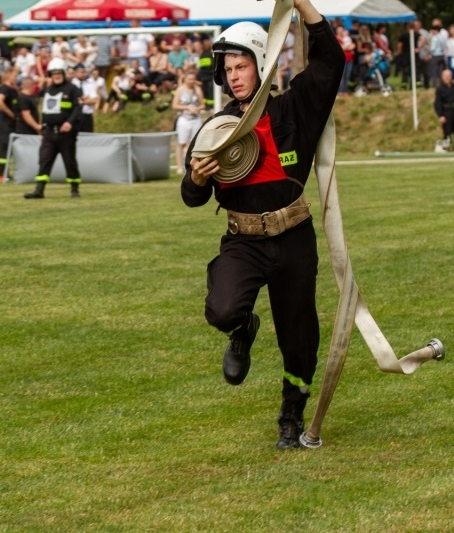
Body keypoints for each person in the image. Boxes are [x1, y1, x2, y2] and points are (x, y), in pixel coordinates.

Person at [180, 0, 344, 449]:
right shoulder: (215, 128)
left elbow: (331, 60)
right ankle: (243, 328)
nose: (233, 76)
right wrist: (197, 179)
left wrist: (301, 4)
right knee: (222, 310)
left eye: (242, 66)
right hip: (244, 241)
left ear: (262, 66)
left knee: (299, 336)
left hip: (294, 239)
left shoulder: (295, 109)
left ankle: (291, 415)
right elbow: (191, 196)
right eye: (227, 69)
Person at [23, 57, 82, 199]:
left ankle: (74, 189)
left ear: (64, 73)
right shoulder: (48, 90)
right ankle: (39, 190)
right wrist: (43, 128)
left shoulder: (73, 89)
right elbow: (46, 111)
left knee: (69, 161)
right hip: (49, 132)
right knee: (44, 160)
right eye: (54, 73)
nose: (56, 76)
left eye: (59, 73)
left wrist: (69, 123)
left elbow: (78, 108)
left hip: (65, 134)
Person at [171, 70, 204, 174]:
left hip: (196, 119)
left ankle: (194, 165)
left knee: (196, 143)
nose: (191, 81)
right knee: (181, 143)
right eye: (189, 79)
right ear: (185, 79)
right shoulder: (180, 90)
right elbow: (174, 105)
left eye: (193, 79)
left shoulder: (197, 89)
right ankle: (179, 166)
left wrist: (196, 109)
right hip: (184, 119)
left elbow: (203, 104)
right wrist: (187, 107)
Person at [0, 68, 18, 181]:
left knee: (9, 149)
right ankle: (2, 174)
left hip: (10, 124)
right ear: (8, 76)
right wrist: (11, 114)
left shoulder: (12, 89)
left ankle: (5, 172)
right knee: (4, 148)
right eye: (14, 76)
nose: (16, 78)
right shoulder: (6, 89)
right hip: (5, 124)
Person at [434, 69, 454, 148]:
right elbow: (437, 103)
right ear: (442, 77)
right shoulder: (440, 89)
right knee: (447, 130)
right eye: (446, 76)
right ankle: (447, 144)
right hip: (446, 111)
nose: (447, 78)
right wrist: (440, 115)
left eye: (449, 76)